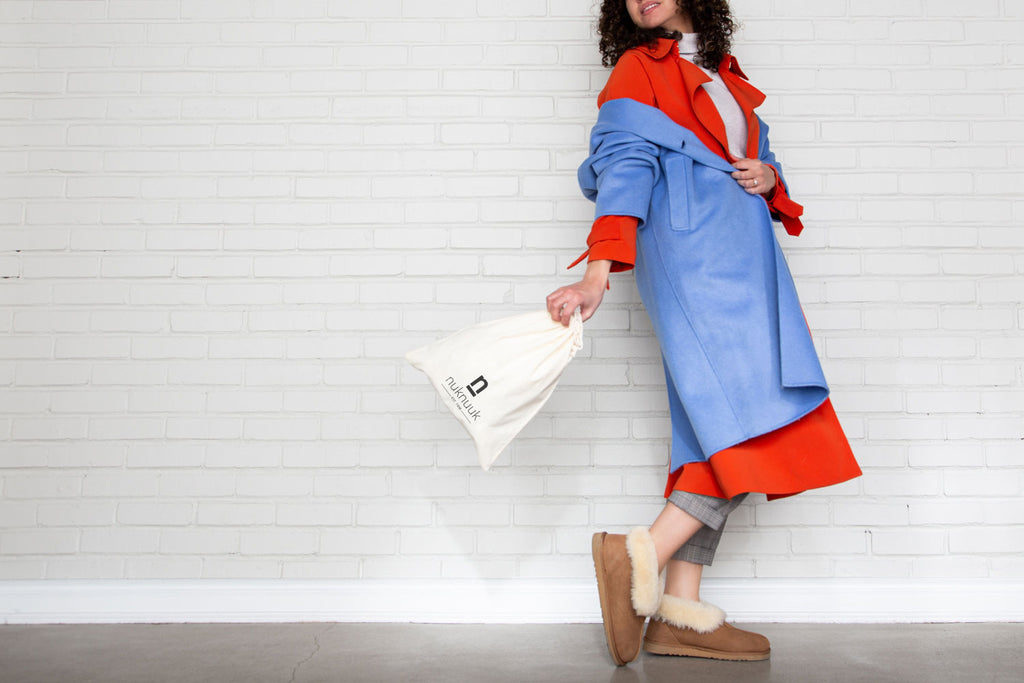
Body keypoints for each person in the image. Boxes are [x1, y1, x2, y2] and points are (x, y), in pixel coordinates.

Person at [545, 0, 863, 667]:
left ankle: (681, 613)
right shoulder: (639, 67)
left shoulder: (722, 72)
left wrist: (767, 174)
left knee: (711, 426)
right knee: (754, 418)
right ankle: (640, 557)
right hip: (695, 261)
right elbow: (624, 168)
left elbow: (754, 157)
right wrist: (598, 276)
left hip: (746, 259)